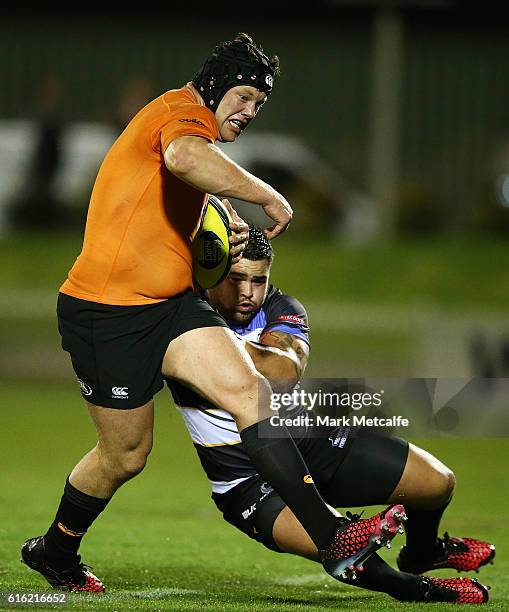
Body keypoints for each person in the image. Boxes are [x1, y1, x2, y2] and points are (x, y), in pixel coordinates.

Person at [20, 32, 405, 593]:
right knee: (125, 455)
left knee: (250, 392)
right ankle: (56, 550)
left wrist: (218, 224)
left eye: (259, 104)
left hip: (171, 307)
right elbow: (182, 157)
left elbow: (172, 197)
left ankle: (333, 538)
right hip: (107, 313)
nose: (249, 111)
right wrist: (267, 196)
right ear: (217, 87)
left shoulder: (191, 124)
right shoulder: (181, 115)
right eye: (245, 96)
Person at [169, 227, 494, 605]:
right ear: (213, 274)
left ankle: (421, 553)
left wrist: (215, 343)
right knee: (344, 551)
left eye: (259, 280)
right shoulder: (184, 313)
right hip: (247, 482)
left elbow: (286, 371)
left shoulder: (280, 308)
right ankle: (421, 590)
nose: (249, 292)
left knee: (438, 483)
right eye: (237, 278)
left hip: (311, 443)